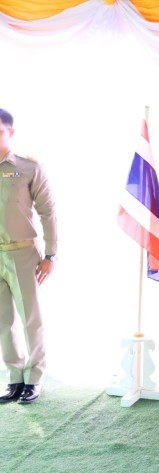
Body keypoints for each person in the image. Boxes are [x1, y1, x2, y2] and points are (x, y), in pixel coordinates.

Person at [0, 108, 57, 405]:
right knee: (3, 322)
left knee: (30, 320)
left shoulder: (28, 168)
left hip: (23, 254)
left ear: (10, 133)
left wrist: (51, 255)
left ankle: (34, 379)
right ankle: (14, 378)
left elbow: (48, 212)